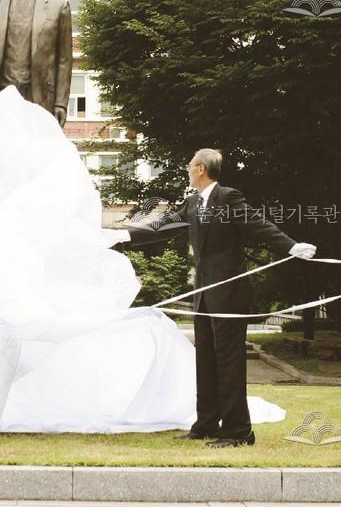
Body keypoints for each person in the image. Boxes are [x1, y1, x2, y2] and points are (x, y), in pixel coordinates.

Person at [113, 148, 316, 447]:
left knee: (229, 363)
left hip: (229, 295)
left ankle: (238, 431)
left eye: (190, 163)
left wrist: (290, 247)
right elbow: (162, 226)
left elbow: (258, 225)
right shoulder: (193, 203)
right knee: (206, 361)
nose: (186, 167)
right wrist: (120, 237)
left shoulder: (228, 198)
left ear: (201, 169)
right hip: (204, 295)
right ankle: (207, 422)